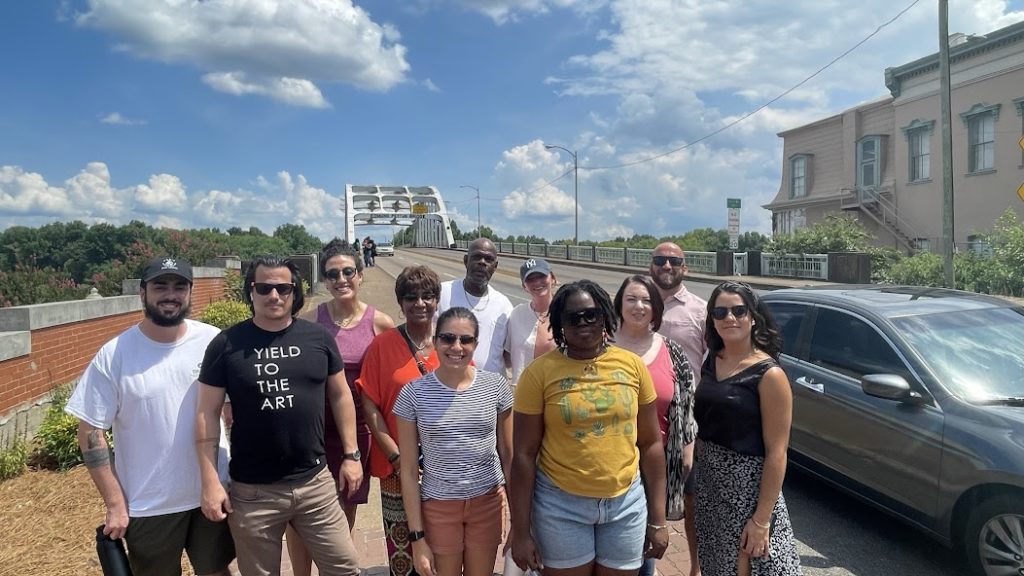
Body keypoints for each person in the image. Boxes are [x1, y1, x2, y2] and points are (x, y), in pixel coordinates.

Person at [65, 256, 235, 576]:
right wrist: (115, 504)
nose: (170, 294)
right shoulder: (115, 354)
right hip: (149, 502)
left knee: (217, 571)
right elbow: (90, 432)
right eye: (160, 286)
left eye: (179, 286)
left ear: (190, 292)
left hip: (211, 491)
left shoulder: (214, 341)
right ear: (142, 293)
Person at [195, 256, 363, 576]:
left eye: (283, 288)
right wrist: (210, 481)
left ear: (293, 292)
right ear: (251, 291)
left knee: (346, 568)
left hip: (315, 484)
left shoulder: (318, 339)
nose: (274, 296)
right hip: (253, 492)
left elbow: (341, 396)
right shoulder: (226, 345)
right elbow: (206, 413)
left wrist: (352, 454)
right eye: (265, 288)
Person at [510, 280, 668, 576]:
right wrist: (520, 531)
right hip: (560, 505)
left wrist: (657, 520)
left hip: (625, 503)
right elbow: (523, 454)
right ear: (560, 324)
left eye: (591, 314)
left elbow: (650, 444)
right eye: (573, 317)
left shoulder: (632, 367)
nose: (583, 322)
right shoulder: (539, 374)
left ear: (605, 316)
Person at [285, 241, 395, 576]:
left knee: (343, 508)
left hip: (355, 432)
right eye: (332, 273)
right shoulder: (307, 322)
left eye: (348, 271)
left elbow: (390, 380)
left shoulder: (380, 324)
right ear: (325, 279)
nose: (341, 279)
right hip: (312, 432)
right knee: (300, 512)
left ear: (361, 275)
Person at [394, 307, 513, 576]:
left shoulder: (495, 386)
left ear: (476, 344)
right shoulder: (413, 394)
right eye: (447, 339)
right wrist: (417, 539)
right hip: (439, 507)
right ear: (435, 342)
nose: (456, 347)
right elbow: (410, 471)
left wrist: (518, 519)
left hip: (487, 503)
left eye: (466, 340)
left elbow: (509, 455)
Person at [694, 281, 801, 576]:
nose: (730, 318)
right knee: (717, 563)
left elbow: (777, 452)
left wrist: (762, 519)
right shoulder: (713, 360)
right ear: (712, 320)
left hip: (747, 490)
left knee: (747, 564)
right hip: (710, 486)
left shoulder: (770, 374)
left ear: (753, 317)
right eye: (720, 311)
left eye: (739, 310)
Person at [358, 265, 443, 576]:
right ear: (400, 302)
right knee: (404, 553)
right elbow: (370, 405)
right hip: (396, 467)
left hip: (444, 469)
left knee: (445, 547)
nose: (419, 303)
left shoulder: (450, 344)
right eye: (411, 297)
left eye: (427, 296)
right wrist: (395, 454)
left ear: (437, 300)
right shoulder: (383, 345)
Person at [613, 275, 698, 576]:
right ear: (619, 304)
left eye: (647, 300)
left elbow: (686, 404)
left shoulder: (672, 351)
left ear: (656, 308)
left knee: (648, 538)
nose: (639, 306)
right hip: (608, 460)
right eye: (631, 299)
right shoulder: (600, 345)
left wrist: (687, 449)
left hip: (654, 461)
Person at [649, 241, 706, 576]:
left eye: (674, 261)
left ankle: (695, 569)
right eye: (660, 260)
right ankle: (646, 564)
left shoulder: (699, 311)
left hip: (687, 422)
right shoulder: (638, 304)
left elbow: (712, 365)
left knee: (691, 500)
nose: (666, 265)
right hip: (644, 417)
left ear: (685, 267)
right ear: (651, 265)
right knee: (644, 490)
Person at [438, 238, 512, 373]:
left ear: (495, 266)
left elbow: (508, 355)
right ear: (466, 261)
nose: (482, 262)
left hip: (490, 387)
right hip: (450, 384)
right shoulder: (443, 293)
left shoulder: (504, 305)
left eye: (488, 259)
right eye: (477, 257)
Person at [505, 258, 558, 387]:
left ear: (552, 278)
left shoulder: (566, 313)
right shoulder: (516, 314)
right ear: (524, 286)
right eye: (530, 279)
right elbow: (507, 357)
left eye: (541, 276)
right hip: (523, 392)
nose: (537, 282)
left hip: (556, 390)